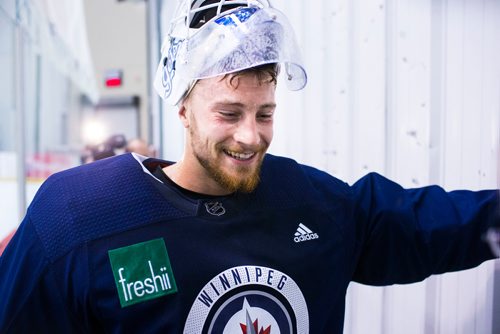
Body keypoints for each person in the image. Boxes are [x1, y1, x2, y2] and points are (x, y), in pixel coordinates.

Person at [0, 0, 498, 333]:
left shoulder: (311, 204)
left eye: (265, 113)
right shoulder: (78, 218)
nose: (250, 136)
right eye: (228, 113)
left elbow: (420, 226)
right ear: (182, 108)